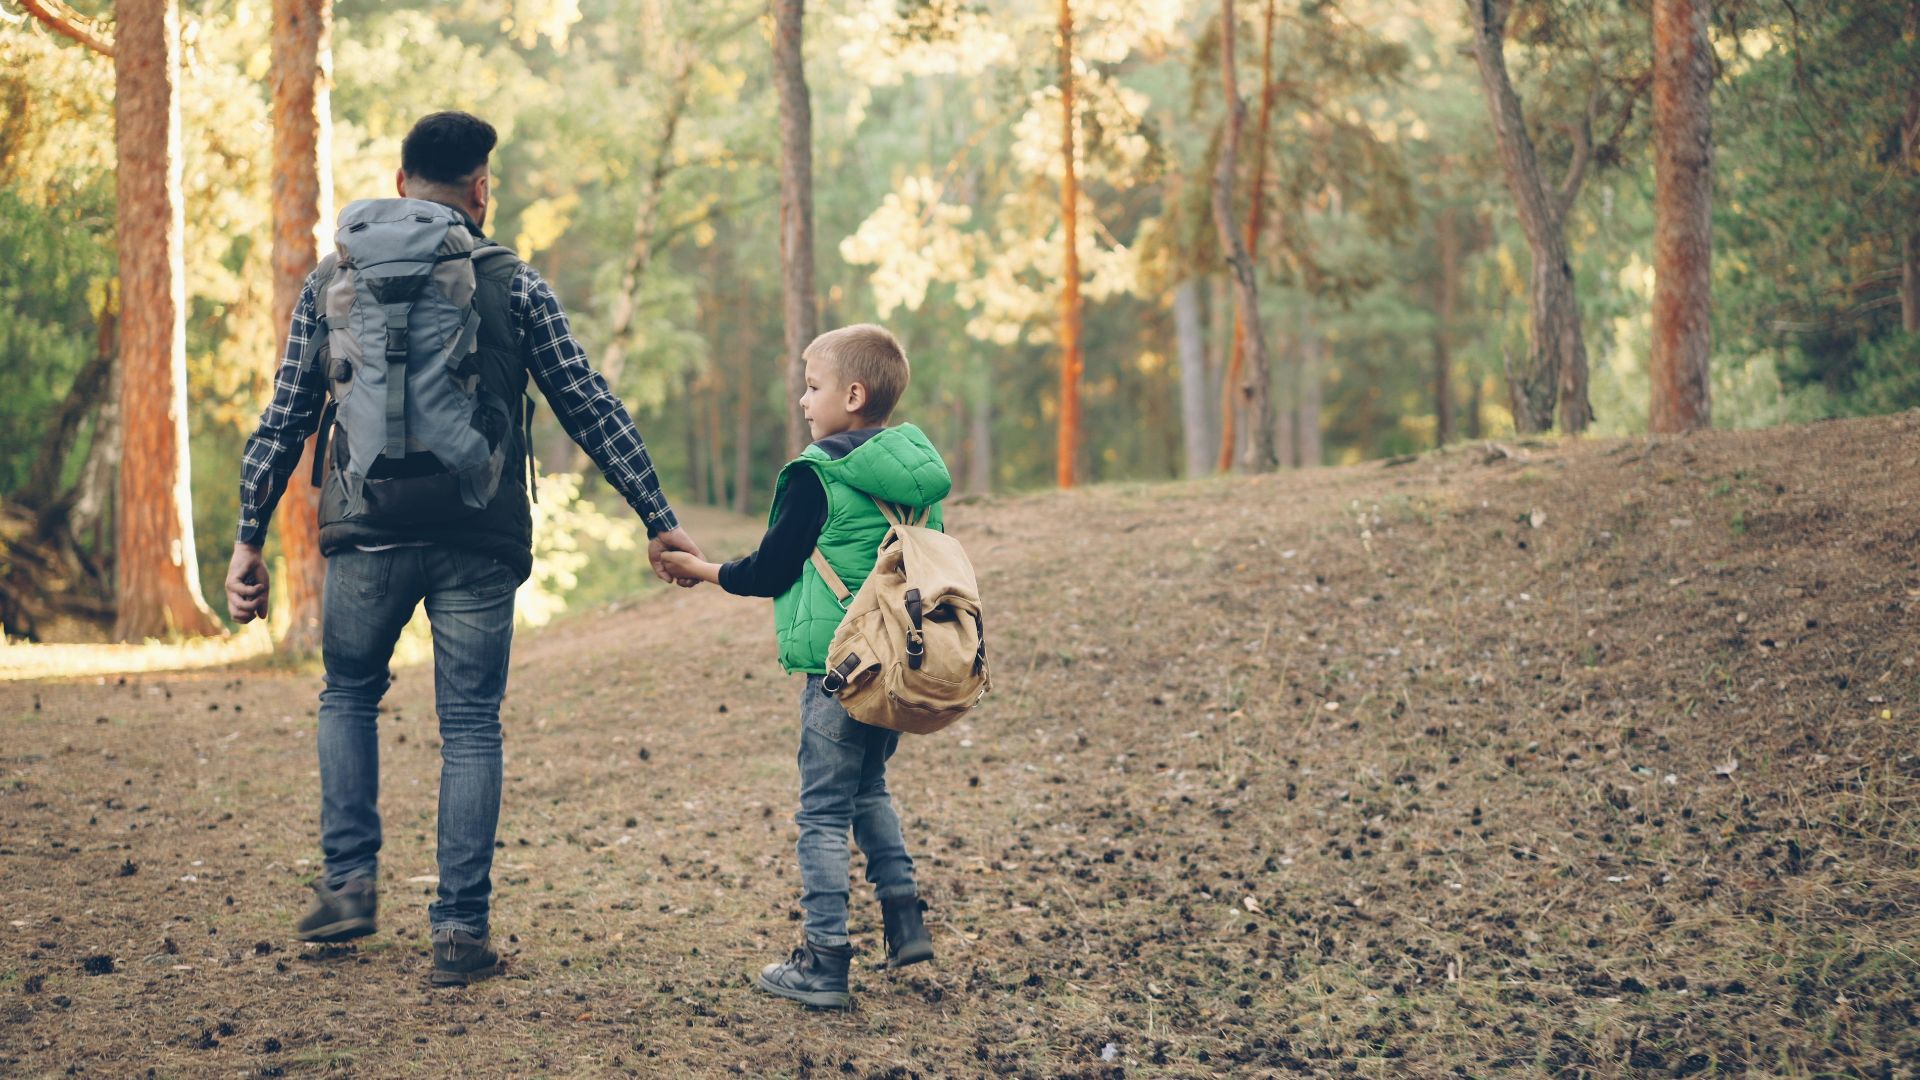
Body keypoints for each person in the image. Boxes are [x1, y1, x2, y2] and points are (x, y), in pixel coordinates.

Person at [224, 110, 702, 986]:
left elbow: (288, 411)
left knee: (348, 696)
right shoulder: (512, 281)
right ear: (481, 189)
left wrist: (248, 537)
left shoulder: (331, 279)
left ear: (402, 183)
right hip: (477, 533)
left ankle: (347, 887)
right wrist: (656, 514)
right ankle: (458, 934)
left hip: (363, 528)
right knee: (471, 724)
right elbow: (586, 402)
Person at [661, 324, 943, 1009]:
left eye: (813, 387)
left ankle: (824, 959)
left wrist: (700, 569)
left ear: (852, 393)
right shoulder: (915, 477)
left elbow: (771, 569)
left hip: (838, 669)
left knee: (821, 810)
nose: (802, 400)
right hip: (897, 666)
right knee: (868, 788)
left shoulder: (816, 474)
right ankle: (904, 921)